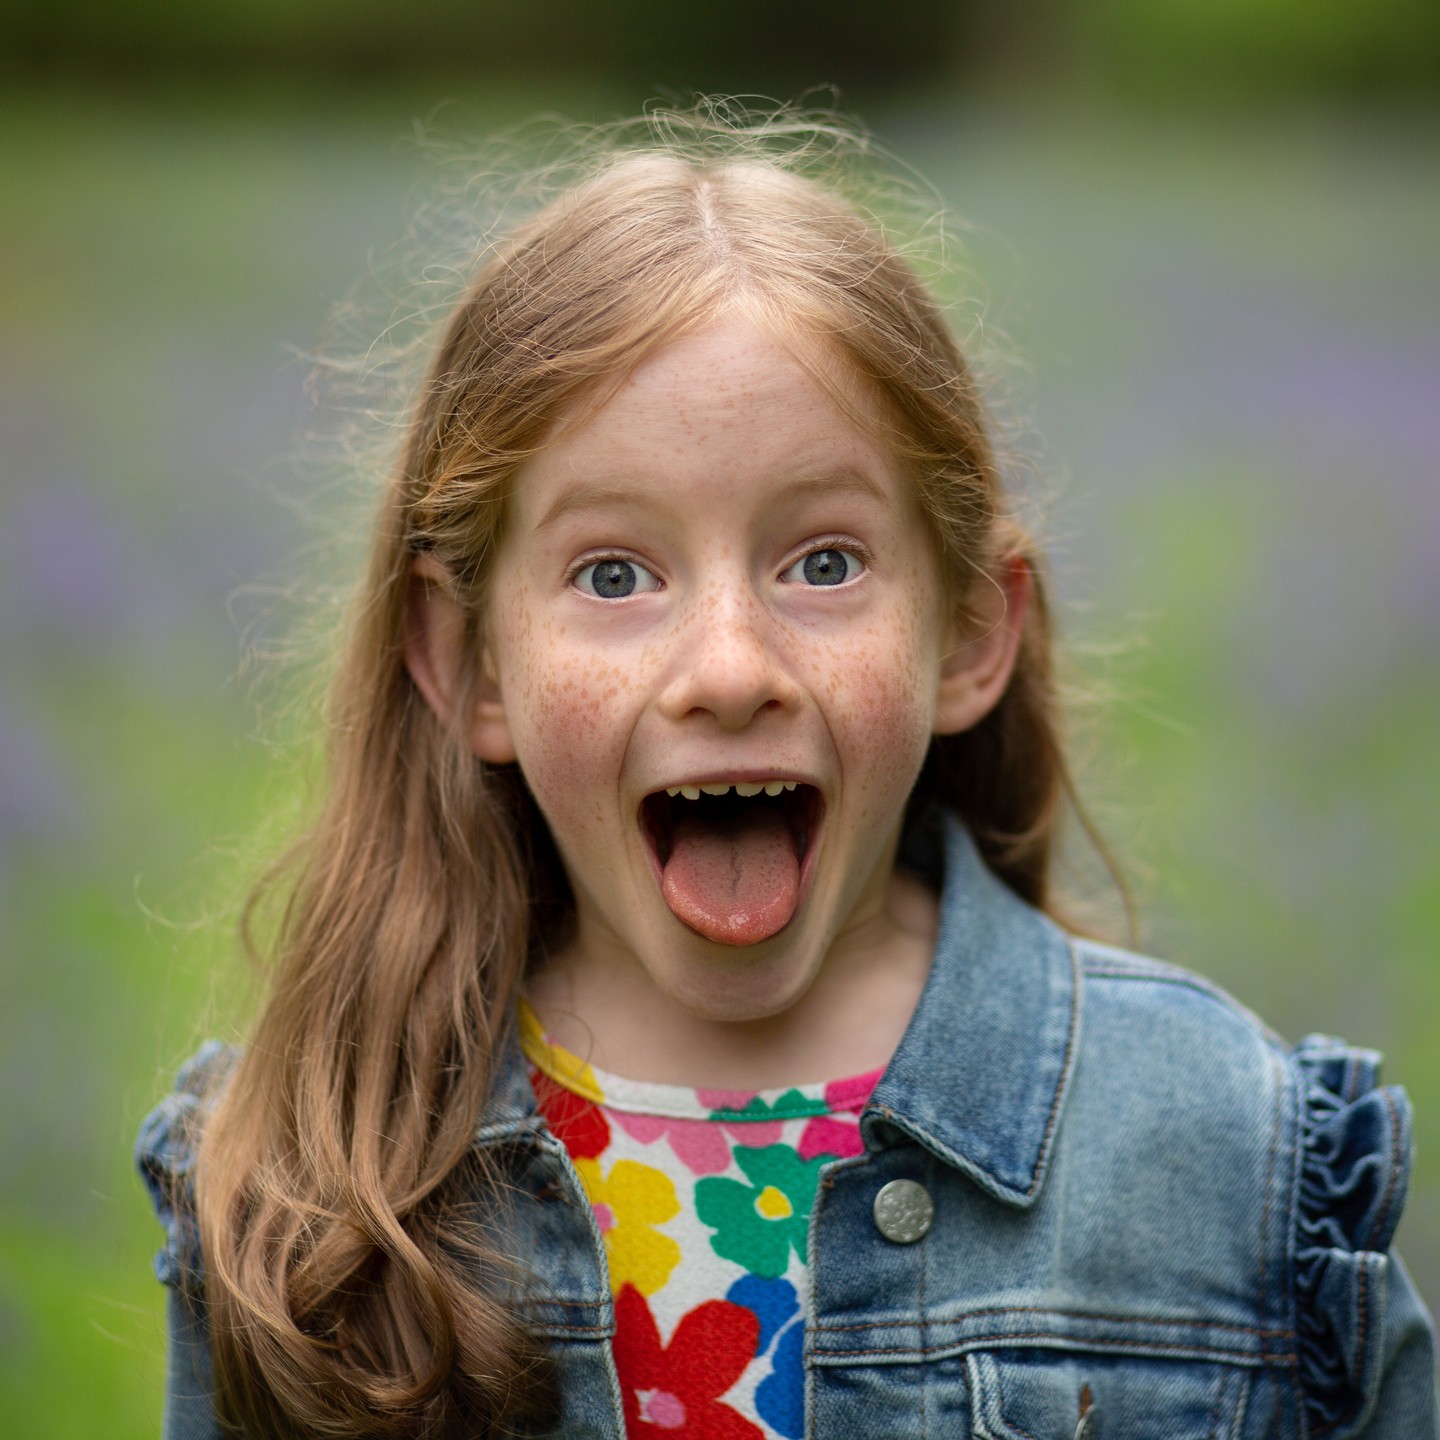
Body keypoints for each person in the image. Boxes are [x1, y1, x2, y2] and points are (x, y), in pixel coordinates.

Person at [136, 107, 1438, 1439]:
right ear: (470, 662)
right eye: (614, 574)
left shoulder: (1221, 1150)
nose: (729, 667)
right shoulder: (313, 1192)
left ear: (967, 633)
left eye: (823, 563)